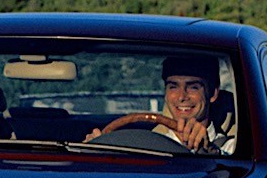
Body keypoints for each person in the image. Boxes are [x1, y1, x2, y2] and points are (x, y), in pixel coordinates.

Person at [87, 54, 235, 154]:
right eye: (173, 86)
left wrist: (210, 150)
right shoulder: (145, 144)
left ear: (213, 93)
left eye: (193, 87)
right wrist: (96, 148)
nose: (181, 97)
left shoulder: (232, 148)